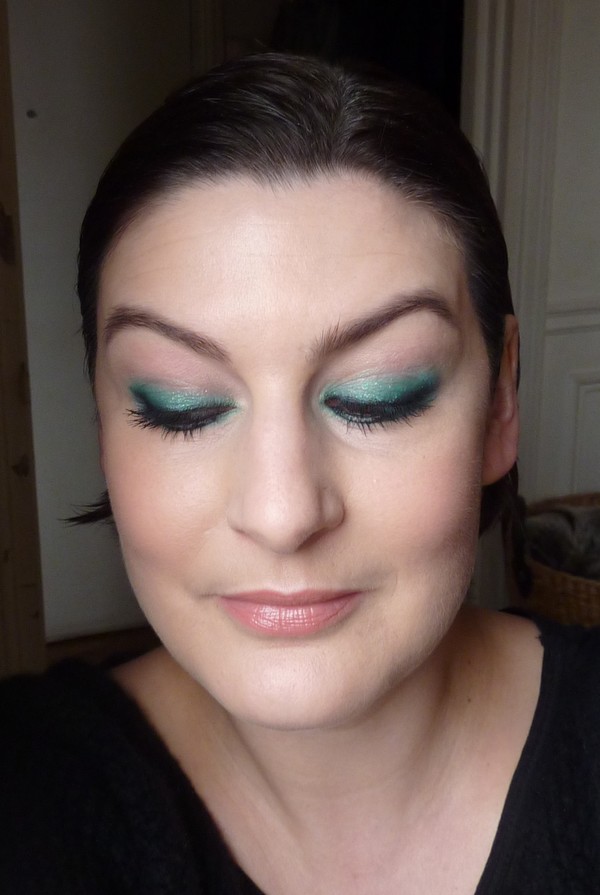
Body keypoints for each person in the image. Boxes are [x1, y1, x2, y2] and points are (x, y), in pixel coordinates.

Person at [1, 53, 599, 894]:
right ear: (104, 421)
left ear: (501, 400)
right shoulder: (29, 796)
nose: (283, 513)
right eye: (180, 405)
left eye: (380, 395)